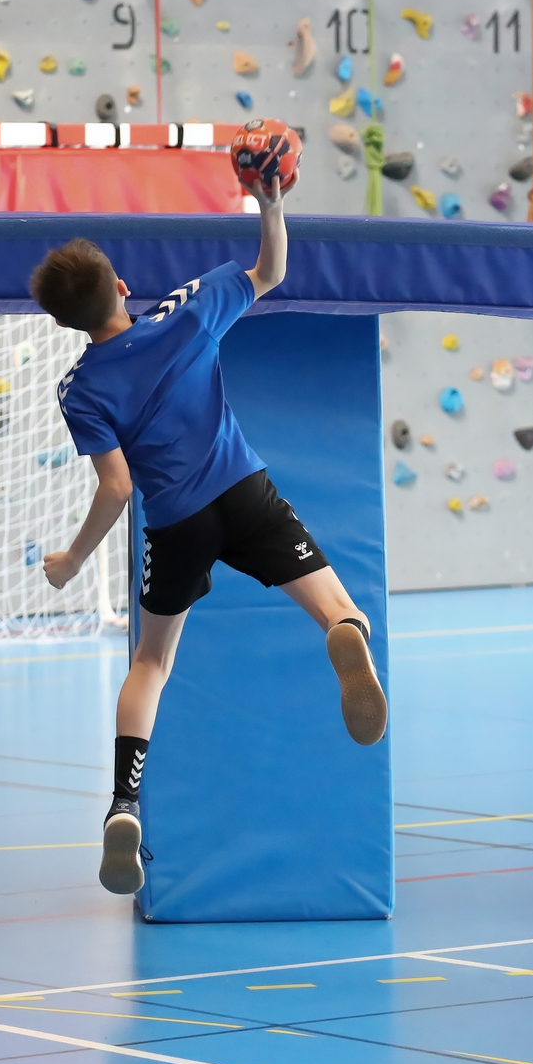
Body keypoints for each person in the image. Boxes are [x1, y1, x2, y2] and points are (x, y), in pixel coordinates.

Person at [33, 177, 386, 897]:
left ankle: (123, 802)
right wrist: (271, 200)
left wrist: (72, 560)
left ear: (65, 323)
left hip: (176, 524)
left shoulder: (80, 389)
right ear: (123, 287)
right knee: (337, 608)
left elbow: (117, 487)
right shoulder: (187, 312)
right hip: (244, 490)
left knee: (152, 663)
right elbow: (271, 269)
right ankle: (343, 632)